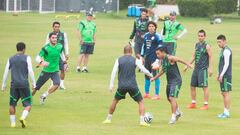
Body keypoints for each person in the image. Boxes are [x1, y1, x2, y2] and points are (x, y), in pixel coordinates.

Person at [102, 45, 153, 126]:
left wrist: (111, 85)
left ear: (123, 52)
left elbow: (113, 72)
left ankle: (108, 119)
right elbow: (143, 69)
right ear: (131, 52)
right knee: (140, 101)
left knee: (115, 100)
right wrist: (150, 75)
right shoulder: (135, 60)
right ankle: (142, 121)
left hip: (122, 86)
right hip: (133, 86)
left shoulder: (118, 60)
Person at [150, 46, 192, 124]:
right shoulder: (163, 60)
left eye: (158, 54)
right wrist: (154, 78)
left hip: (176, 81)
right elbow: (163, 70)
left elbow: (179, 59)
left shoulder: (170, 58)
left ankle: (173, 117)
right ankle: (178, 112)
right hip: (169, 81)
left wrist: (188, 64)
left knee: (171, 97)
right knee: (169, 99)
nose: (157, 56)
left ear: (163, 52)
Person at [1, 42, 36, 128]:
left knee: (12, 104)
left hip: (14, 85)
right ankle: (23, 117)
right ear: (24, 49)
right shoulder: (27, 58)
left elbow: (6, 72)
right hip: (24, 84)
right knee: (28, 104)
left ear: (17, 49)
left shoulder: (11, 59)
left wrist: (3, 84)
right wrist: (34, 82)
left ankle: (13, 124)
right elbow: (30, 70)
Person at [33, 32, 66, 104]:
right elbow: (37, 58)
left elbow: (61, 54)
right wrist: (42, 62)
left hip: (54, 71)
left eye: (56, 38)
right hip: (45, 72)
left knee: (57, 84)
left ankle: (43, 95)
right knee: (36, 88)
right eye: (53, 38)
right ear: (49, 39)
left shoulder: (59, 46)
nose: (55, 39)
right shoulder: (46, 48)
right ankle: (28, 99)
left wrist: (65, 63)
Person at [186, 30, 213, 110]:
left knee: (204, 87)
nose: (200, 37)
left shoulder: (207, 46)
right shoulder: (197, 45)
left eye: (202, 36)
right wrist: (187, 65)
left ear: (205, 37)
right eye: (199, 36)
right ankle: (193, 103)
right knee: (192, 86)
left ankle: (206, 104)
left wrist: (210, 68)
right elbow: (194, 56)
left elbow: (211, 56)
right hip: (196, 69)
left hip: (203, 69)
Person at [141, 21, 162, 100]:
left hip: (155, 59)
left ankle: (157, 95)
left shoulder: (157, 36)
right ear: (148, 27)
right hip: (147, 59)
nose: (151, 27)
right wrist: (142, 57)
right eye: (149, 26)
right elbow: (144, 46)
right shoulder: (146, 35)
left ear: (155, 27)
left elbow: (160, 47)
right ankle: (146, 93)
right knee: (147, 75)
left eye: (153, 26)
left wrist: (158, 59)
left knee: (156, 76)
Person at [45, 21, 69, 90]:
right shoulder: (49, 34)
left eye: (58, 27)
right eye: (55, 27)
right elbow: (46, 44)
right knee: (52, 70)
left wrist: (67, 53)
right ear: (53, 27)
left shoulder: (63, 34)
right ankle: (53, 84)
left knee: (62, 70)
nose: (57, 28)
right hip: (52, 56)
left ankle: (61, 84)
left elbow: (66, 44)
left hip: (61, 55)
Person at [216, 35, 232, 118]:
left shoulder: (226, 51)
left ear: (224, 41)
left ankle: (226, 113)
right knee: (223, 93)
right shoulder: (222, 50)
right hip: (223, 75)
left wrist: (221, 75)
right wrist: (218, 73)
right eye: (217, 42)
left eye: (220, 42)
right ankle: (225, 111)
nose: (218, 43)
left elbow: (226, 64)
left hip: (226, 75)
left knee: (225, 93)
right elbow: (221, 64)